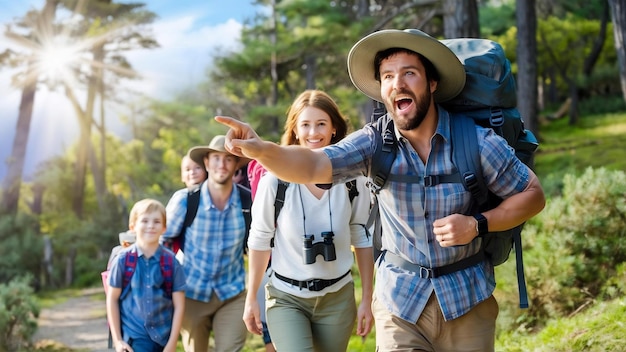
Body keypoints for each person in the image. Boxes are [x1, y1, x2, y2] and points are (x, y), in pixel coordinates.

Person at [216, 28, 546, 351]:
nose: (397, 83)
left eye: (409, 73)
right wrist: (261, 150)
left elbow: (532, 195)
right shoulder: (375, 144)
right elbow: (313, 165)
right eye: (387, 76)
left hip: (467, 300)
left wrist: (477, 225)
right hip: (399, 304)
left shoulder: (477, 142)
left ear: (432, 83)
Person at [242, 89, 374, 352]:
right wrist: (251, 298)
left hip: (337, 298)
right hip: (286, 297)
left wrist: (367, 298)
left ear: (334, 128)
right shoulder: (274, 183)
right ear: (295, 131)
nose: (313, 133)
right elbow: (259, 239)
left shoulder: (353, 181)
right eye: (305, 125)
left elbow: (361, 235)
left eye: (321, 123)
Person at [161, 135, 251, 352]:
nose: (222, 164)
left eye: (229, 159)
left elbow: (259, 245)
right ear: (207, 163)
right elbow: (162, 243)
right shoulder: (185, 200)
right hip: (192, 294)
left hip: (232, 293)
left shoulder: (248, 201)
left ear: (236, 165)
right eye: (216, 158)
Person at [106, 198, 186, 352]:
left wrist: (172, 343)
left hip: (164, 338)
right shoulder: (123, 260)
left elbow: (179, 305)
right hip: (135, 339)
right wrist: (118, 341)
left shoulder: (171, 262)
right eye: (144, 221)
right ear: (133, 227)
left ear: (164, 228)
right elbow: (112, 299)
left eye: (156, 221)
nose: (150, 226)